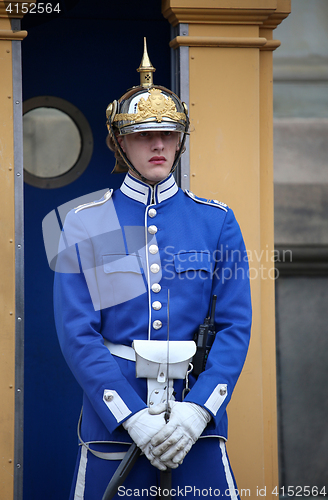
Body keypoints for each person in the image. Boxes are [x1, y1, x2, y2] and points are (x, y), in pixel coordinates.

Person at [54, 39, 252, 500]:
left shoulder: (216, 221)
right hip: (115, 423)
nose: (158, 144)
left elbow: (234, 328)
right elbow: (76, 333)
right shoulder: (85, 222)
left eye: (168, 133)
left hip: (194, 427)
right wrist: (131, 417)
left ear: (182, 140)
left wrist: (198, 412)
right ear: (119, 142)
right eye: (144, 134)